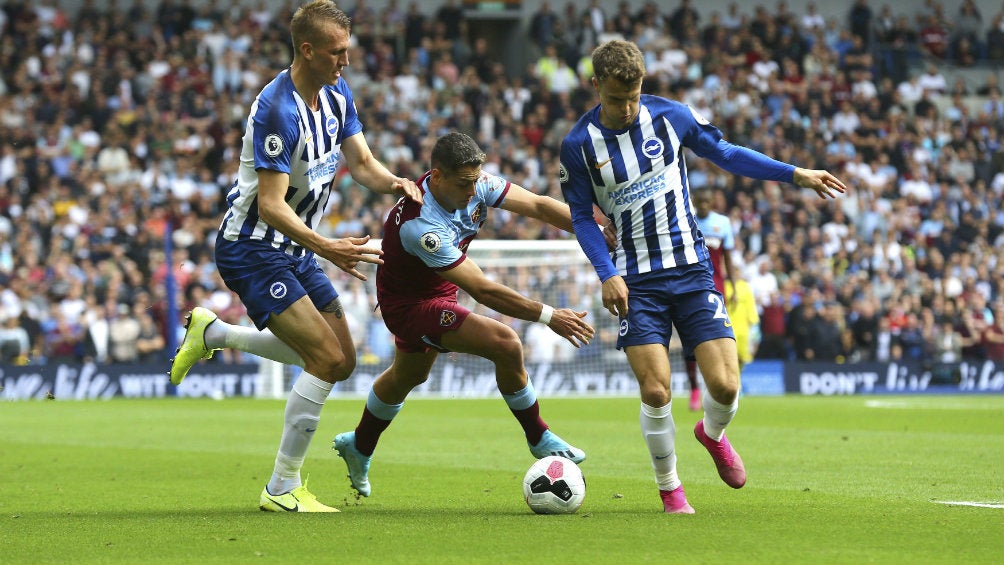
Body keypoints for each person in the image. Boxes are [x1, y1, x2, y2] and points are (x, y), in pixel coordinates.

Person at [558, 40, 846, 514]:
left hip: (692, 271)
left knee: (727, 387)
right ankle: (671, 489)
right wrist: (606, 273)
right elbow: (583, 218)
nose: (627, 108)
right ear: (595, 88)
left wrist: (795, 174)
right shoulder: (578, 145)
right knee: (656, 390)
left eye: (633, 96)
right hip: (636, 280)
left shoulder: (671, 117)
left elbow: (727, 154)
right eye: (615, 99)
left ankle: (711, 434)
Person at [168, 1, 421, 513]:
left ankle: (214, 333)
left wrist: (395, 183)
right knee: (325, 360)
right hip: (253, 248)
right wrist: (327, 246)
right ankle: (282, 486)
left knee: (342, 360)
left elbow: (363, 163)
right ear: (308, 50)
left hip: (295, 247)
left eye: (347, 51)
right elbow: (270, 204)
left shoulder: (336, 93)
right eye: (337, 52)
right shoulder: (277, 109)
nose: (346, 62)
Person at [331, 132, 596, 498]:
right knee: (506, 342)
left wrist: (594, 230)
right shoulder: (420, 223)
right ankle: (538, 436)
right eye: (463, 184)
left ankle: (359, 445)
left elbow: (536, 205)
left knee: (409, 375)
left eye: (475, 181)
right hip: (409, 306)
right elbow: (483, 290)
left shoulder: (475, 183)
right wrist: (551, 316)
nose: (473, 191)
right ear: (436, 176)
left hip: (437, 290)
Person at [684, 187, 737, 411]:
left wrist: (733, 284)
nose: (704, 204)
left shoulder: (723, 223)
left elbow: (727, 258)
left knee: (717, 336)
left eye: (708, 200)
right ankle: (695, 388)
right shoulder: (685, 220)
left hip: (716, 286)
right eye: (701, 201)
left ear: (712, 201)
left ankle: (719, 385)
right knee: (690, 340)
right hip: (689, 286)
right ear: (695, 200)